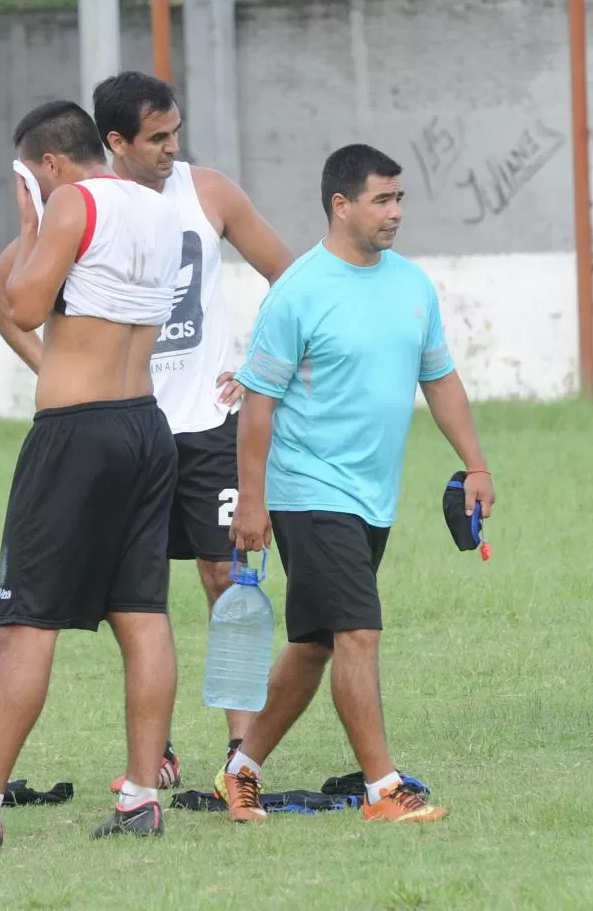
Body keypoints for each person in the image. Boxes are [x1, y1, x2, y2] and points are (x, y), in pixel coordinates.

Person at [0, 71, 294, 789]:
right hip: (136, 425)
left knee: (224, 581)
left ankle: (238, 757)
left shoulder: (203, 192)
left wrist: (258, 369)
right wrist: (53, 368)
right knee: (137, 602)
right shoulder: (86, 207)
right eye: (157, 137)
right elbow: (1, 298)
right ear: (113, 141)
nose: (171, 149)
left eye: (175, 132)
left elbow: (293, 280)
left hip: (202, 427)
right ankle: (154, 761)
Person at [0, 100, 184, 852]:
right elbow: (20, 302)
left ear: (48, 164)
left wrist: (31, 223)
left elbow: (20, 302)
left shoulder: (72, 202)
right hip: (146, 425)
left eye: (27, 176)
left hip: (76, 437)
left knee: (24, 625)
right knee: (142, 614)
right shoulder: (155, 205)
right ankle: (141, 798)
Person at [221, 143, 496, 825]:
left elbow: (440, 378)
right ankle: (382, 789)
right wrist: (251, 499)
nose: (395, 212)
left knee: (313, 643)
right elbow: (257, 405)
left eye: (399, 198)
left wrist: (477, 464)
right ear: (340, 205)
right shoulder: (300, 291)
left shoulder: (412, 285)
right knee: (358, 631)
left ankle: (241, 770)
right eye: (382, 199)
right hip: (308, 490)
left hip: (372, 495)